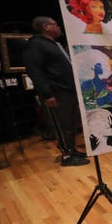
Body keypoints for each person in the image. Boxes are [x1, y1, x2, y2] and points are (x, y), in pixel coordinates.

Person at [22, 16, 89, 167]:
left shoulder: (53, 44)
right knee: (61, 124)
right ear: (46, 27)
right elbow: (35, 71)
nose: (59, 27)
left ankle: (72, 150)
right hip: (56, 92)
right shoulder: (35, 45)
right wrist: (47, 94)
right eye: (56, 25)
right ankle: (67, 155)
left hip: (67, 91)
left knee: (71, 123)